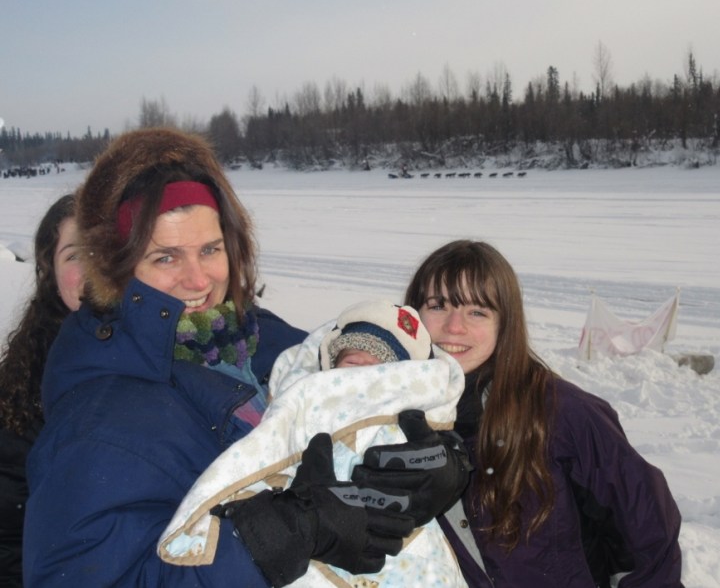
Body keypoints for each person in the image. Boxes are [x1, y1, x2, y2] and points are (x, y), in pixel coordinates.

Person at [23, 128, 470, 587]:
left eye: (210, 250)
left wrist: (436, 465)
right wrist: (274, 540)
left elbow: (367, 407)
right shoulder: (96, 423)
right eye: (165, 257)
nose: (198, 280)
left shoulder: (265, 338)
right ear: (116, 269)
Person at [386, 239, 684, 587]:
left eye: (477, 311)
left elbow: (648, 531)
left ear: (505, 323)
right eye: (438, 305)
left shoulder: (563, 413)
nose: (454, 326)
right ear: (412, 316)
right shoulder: (387, 416)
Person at [159, 299, 469, 587]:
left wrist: (453, 458)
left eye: (379, 368)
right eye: (352, 361)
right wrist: (287, 525)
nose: (363, 370)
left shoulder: (265, 332)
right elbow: (265, 451)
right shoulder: (304, 398)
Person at [0, 193, 83, 588]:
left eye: (105, 248)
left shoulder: (178, 355)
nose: (94, 267)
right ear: (49, 272)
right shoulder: (25, 387)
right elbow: (8, 536)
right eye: (74, 255)